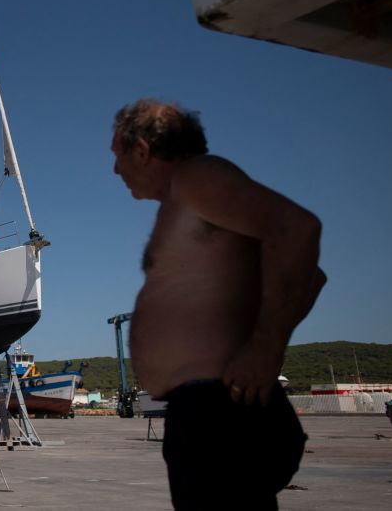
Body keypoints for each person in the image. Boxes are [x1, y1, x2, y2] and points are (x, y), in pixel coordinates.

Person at [110, 98, 326, 510]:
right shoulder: (185, 200)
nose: (115, 170)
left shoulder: (197, 177)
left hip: (221, 413)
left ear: (141, 149)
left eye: (117, 156)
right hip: (211, 411)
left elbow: (297, 228)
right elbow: (311, 279)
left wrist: (265, 348)